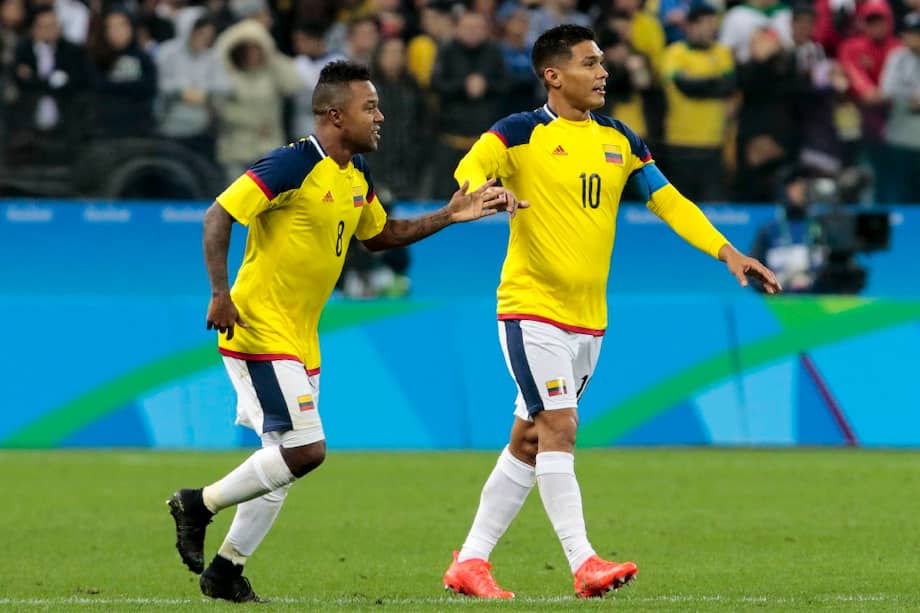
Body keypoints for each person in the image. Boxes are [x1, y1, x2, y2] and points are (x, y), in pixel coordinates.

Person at [442, 25, 781, 600]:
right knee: (560, 427)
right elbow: (471, 167)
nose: (603, 73)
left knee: (530, 441)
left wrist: (727, 251)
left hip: (589, 320)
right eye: (589, 63)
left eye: (602, 62)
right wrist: (483, 191)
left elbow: (668, 200)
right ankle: (584, 562)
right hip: (531, 310)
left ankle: (470, 561)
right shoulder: (519, 133)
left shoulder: (619, 138)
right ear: (553, 75)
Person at [166, 60, 518, 603]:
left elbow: (380, 236)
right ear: (335, 115)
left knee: (281, 459)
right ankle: (198, 504)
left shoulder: (355, 175)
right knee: (306, 450)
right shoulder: (291, 164)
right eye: (369, 107)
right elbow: (219, 215)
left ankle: (227, 570)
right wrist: (220, 294)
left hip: (301, 338)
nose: (380, 117)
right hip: (257, 327)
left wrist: (449, 215)